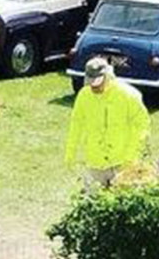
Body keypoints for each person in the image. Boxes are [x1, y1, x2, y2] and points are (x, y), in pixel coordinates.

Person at [64, 56, 150, 190]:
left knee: (121, 203)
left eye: (98, 81)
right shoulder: (84, 95)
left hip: (121, 161)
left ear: (108, 76)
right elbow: (76, 123)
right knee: (92, 202)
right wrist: (70, 152)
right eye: (90, 81)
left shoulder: (128, 95)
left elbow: (142, 125)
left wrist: (131, 156)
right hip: (95, 161)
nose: (94, 86)